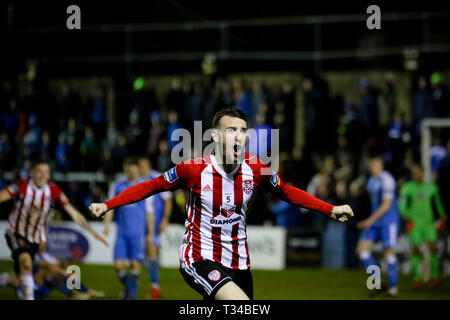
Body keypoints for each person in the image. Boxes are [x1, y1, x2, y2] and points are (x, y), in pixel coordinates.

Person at [89, 107, 354, 300]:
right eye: (231, 131)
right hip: (199, 256)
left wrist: (330, 208)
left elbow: (287, 192)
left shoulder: (256, 168)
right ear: (216, 137)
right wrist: (108, 204)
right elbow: (151, 186)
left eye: (242, 131)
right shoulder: (192, 170)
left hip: (239, 262)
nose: (238, 136)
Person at [0, 159, 108, 300]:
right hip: (16, 232)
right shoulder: (22, 185)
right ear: (31, 173)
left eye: (46, 172)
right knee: (27, 262)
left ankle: (81, 291)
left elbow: (73, 213)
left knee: (22, 274)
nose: (42, 175)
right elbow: (2, 196)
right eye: (39, 172)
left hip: (35, 240)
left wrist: (92, 232)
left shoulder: (53, 190)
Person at [104, 157, 150, 300]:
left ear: (138, 171)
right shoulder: (117, 185)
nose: (133, 174)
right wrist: (106, 224)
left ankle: (130, 296)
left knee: (135, 265)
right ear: (126, 171)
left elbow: (150, 211)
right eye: (130, 171)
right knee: (118, 266)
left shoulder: (145, 186)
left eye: (135, 171)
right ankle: (129, 288)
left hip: (138, 233)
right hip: (122, 233)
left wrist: (150, 232)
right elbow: (109, 206)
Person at [357, 155, 400, 297]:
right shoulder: (371, 181)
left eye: (375, 164)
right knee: (362, 250)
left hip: (388, 220)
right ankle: (377, 283)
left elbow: (386, 205)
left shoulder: (387, 179)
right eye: (371, 165)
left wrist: (369, 220)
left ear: (381, 165)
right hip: (375, 220)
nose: (372, 167)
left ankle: (393, 289)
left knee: (388, 252)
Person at [399, 163, 447, 288]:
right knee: (415, 249)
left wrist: (442, 216)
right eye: (414, 173)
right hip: (414, 223)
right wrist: (407, 219)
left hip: (428, 223)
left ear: (423, 173)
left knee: (433, 248)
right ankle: (416, 278)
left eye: (419, 172)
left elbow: (437, 203)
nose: (417, 175)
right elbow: (402, 205)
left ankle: (435, 276)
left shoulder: (431, 187)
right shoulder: (408, 188)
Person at [0, 243, 105, 300]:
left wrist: (66, 268)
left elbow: (57, 263)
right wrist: (64, 272)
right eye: (41, 242)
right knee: (50, 275)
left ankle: (85, 291)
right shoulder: (33, 256)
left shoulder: (46, 254)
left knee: (58, 275)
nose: (44, 243)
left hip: (43, 286)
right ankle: (74, 294)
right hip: (34, 287)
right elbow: (47, 265)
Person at [137, 155, 173, 299]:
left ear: (148, 164)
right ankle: (154, 286)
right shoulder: (136, 179)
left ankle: (155, 288)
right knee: (147, 255)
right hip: (140, 224)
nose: (142, 168)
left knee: (152, 253)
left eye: (144, 164)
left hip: (155, 224)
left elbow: (168, 201)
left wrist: (165, 219)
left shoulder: (157, 177)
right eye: (140, 165)